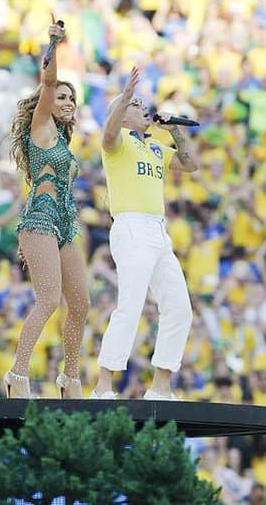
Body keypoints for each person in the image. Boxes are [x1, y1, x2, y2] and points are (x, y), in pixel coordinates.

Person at [92, 67, 200, 400]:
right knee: (131, 304)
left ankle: (161, 386)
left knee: (180, 307)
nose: (144, 108)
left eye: (141, 103)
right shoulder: (118, 142)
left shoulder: (153, 146)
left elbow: (190, 164)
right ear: (122, 117)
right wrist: (123, 98)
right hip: (131, 225)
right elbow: (107, 134)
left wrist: (175, 132)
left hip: (157, 229)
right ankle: (104, 385)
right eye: (135, 106)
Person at [3, 21, 90, 398]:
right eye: (61, 98)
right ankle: (17, 375)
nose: (67, 102)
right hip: (39, 221)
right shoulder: (41, 127)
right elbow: (50, 82)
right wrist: (53, 43)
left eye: (72, 99)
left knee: (82, 304)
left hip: (64, 225)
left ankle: (69, 378)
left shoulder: (63, 140)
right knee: (48, 300)